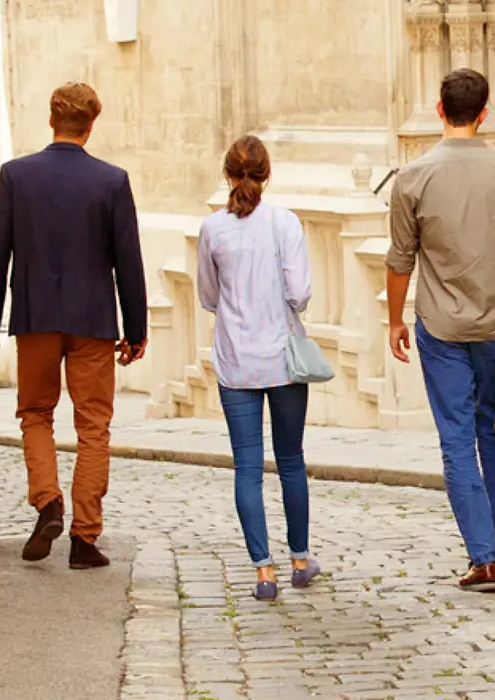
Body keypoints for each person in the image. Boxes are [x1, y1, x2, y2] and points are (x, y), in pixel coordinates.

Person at [0, 82, 149, 570]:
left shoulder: (16, 176)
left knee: (35, 413)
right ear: (90, 126)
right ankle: (84, 537)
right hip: (92, 321)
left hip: (34, 316)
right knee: (93, 425)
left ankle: (47, 501)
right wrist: (135, 328)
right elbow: (128, 261)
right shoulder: (112, 181)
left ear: (51, 121)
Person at [385, 68, 495, 592]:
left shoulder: (412, 177)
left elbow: (400, 260)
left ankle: (483, 558)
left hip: (443, 325)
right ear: (485, 112)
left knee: (456, 439)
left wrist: (393, 321)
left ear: (438, 108)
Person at [196, 135, 324, 601]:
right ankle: (299, 559)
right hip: (283, 358)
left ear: (227, 175)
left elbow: (208, 296)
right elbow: (301, 292)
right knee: (290, 459)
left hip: (236, 360)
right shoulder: (284, 223)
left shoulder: (213, 229)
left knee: (246, 467)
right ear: (267, 175)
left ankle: (263, 572)